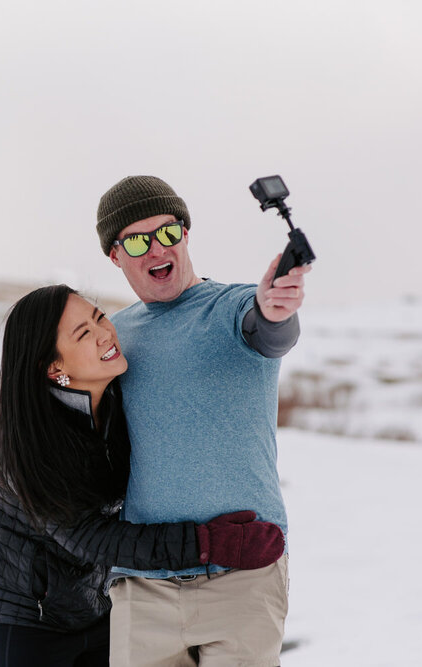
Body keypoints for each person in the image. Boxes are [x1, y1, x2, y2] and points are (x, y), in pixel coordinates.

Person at [0, 284, 285, 667]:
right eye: (84, 333)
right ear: (54, 368)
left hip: (97, 605)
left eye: (100, 317)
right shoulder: (25, 443)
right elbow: (92, 539)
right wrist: (208, 543)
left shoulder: (120, 397)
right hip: (25, 620)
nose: (106, 332)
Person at [95, 175, 311, 667]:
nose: (156, 249)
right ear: (115, 255)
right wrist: (10, 455)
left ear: (185, 234)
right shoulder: (112, 336)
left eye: (167, 232)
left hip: (242, 573)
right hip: (142, 581)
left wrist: (277, 309)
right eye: (137, 240)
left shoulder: (232, 307)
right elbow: (65, 413)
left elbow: (269, 329)